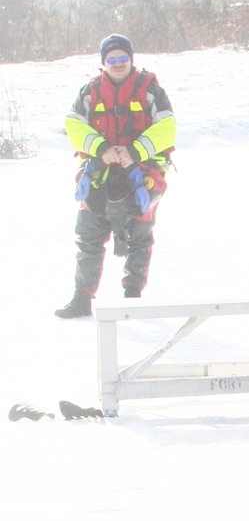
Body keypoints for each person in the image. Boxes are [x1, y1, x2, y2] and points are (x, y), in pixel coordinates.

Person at [56, 35, 175, 318]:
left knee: (139, 238)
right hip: (100, 173)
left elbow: (167, 127)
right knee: (88, 235)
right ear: (103, 63)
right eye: (112, 60)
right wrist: (100, 149)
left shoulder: (151, 90)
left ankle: (132, 298)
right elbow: (73, 125)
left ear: (131, 59)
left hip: (142, 175)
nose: (118, 64)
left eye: (123, 59)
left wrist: (134, 151)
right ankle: (82, 298)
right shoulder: (89, 91)